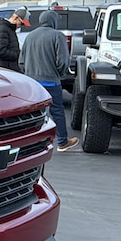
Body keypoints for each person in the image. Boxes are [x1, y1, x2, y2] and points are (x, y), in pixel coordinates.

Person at [20, 9, 79, 152]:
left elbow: (21, 61)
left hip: (32, 83)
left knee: (33, 114)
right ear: (54, 21)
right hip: (51, 82)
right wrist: (59, 74)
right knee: (57, 112)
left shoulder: (30, 36)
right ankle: (62, 142)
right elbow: (63, 61)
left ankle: (29, 144)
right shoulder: (58, 36)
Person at [0, 6, 30, 71]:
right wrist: (17, 54)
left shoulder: (9, 29)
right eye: (21, 23)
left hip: (6, 67)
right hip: (3, 68)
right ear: (16, 18)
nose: (21, 26)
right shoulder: (2, 29)